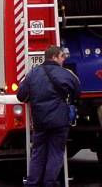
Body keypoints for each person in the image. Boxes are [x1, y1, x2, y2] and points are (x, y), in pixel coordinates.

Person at [18, 45, 80, 187]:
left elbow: (21, 95)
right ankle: (50, 183)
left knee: (38, 153)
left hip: (40, 121)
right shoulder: (66, 74)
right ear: (54, 57)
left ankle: (32, 183)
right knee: (56, 153)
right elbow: (77, 92)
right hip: (60, 121)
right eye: (61, 56)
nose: (64, 59)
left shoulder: (33, 74)